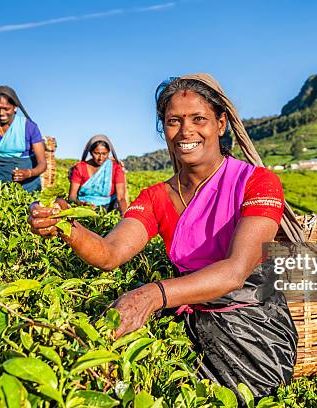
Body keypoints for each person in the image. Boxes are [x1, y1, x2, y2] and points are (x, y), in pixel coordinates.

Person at [28, 74, 298, 398]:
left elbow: (236, 270)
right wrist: (66, 225)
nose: (186, 131)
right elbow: (110, 253)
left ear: (221, 123)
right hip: (193, 326)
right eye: (174, 121)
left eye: (199, 118)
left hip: (256, 336)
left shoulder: (257, 182)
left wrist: (151, 296)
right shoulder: (157, 197)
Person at [68, 135, 127, 213]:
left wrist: (124, 216)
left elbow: (120, 198)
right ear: (91, 152)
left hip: (109, 208)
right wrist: (82, 204)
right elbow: (72, 196)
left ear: (109, 153)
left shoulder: (116, 169)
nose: (100, 158)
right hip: (84, 208)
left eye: (104, 154)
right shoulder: (80, 168)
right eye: (96, 153)